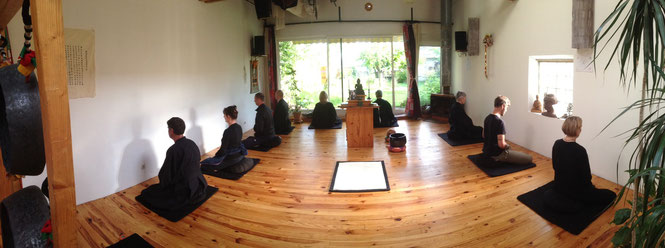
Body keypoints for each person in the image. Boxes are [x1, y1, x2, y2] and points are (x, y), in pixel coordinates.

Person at [135, 117, 209, 217]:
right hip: (198, 184)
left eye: (168, 128)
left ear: (171, 130)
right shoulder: (192, 143)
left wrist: (164, 185)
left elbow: (166, 176)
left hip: (185, 189)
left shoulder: (173, 150)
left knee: (147, 193)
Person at [546, 116, 616, 210]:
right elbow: (586, 177)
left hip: (560, 185)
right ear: (577, 130)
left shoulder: (557, 143)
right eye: (580, 127)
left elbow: (555, 166)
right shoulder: (580, 150)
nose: (581, 129)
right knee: (612, 195)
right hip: (577, 190)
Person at [201, 106, 255, 173]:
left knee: (204, 165)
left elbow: (223, 150)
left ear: (228, 116)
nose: (224, 117)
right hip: (240, 155)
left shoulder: (227, 131)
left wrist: (215, 156)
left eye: (224, 115)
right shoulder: (239, 127)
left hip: (231, 158)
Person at [482, 96, 532, 164]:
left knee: (513, 152)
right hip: (497, 155)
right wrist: (508, 146)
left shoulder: (487, 118)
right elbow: (501, 145)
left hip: (486, 152)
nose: (506, 110)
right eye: (507, 107)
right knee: (529, 158)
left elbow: (483, 135)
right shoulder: (500, 122)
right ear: (503, 106)